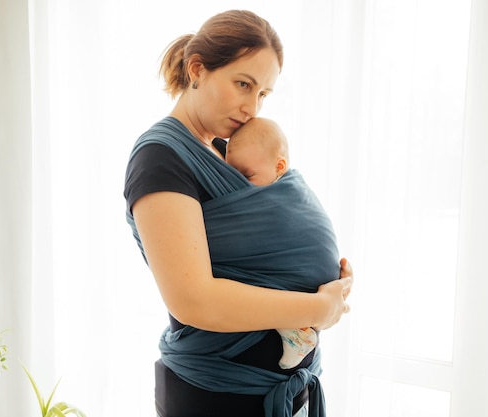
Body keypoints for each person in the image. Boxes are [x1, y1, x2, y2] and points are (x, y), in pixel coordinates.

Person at [123, 10, 353, 417]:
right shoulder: (160, 159)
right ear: (198, 69)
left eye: (263, 94)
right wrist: (317, 308)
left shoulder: (226, 152)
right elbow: (194, 301)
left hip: (278, 390)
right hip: (217, 394)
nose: (251, 107)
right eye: (243, 84)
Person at [226, 116, 339, 371]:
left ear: (279, 167)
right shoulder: (267, 181)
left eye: (247, 175)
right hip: (320, 281)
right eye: (234, 175)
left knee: (264, 280)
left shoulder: (286, 194)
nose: (241, 185)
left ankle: (296, 333)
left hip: (308, 274)